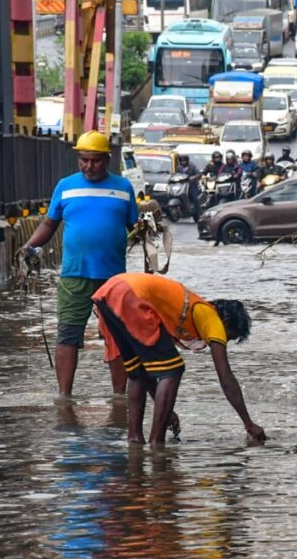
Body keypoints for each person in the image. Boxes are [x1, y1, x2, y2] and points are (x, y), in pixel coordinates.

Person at [22, 130, 138, 399]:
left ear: (106, 159)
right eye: (83, 160)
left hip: (113, 278)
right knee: (68, 334)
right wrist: (29, 247)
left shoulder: (123, 188)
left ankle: (120, 396)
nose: (88, 166)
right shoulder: (65, 186)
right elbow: (49, 223)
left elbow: (135, 228)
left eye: (95, 160)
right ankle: (64, 396)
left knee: (116, 336)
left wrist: (147, 236)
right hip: (75, 274)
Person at [91, 273, 266, 445]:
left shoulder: (187, 311)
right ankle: (156, 442)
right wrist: (248, 424)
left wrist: (167, 411)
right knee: (174, 370)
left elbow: (148, 374)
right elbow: (226, 378)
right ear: (226, 322)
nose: (224, 341)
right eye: (230, 337)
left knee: (138, 371)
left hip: (110, 291)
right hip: (131, 294)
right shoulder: (213, 320)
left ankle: (135, 439)